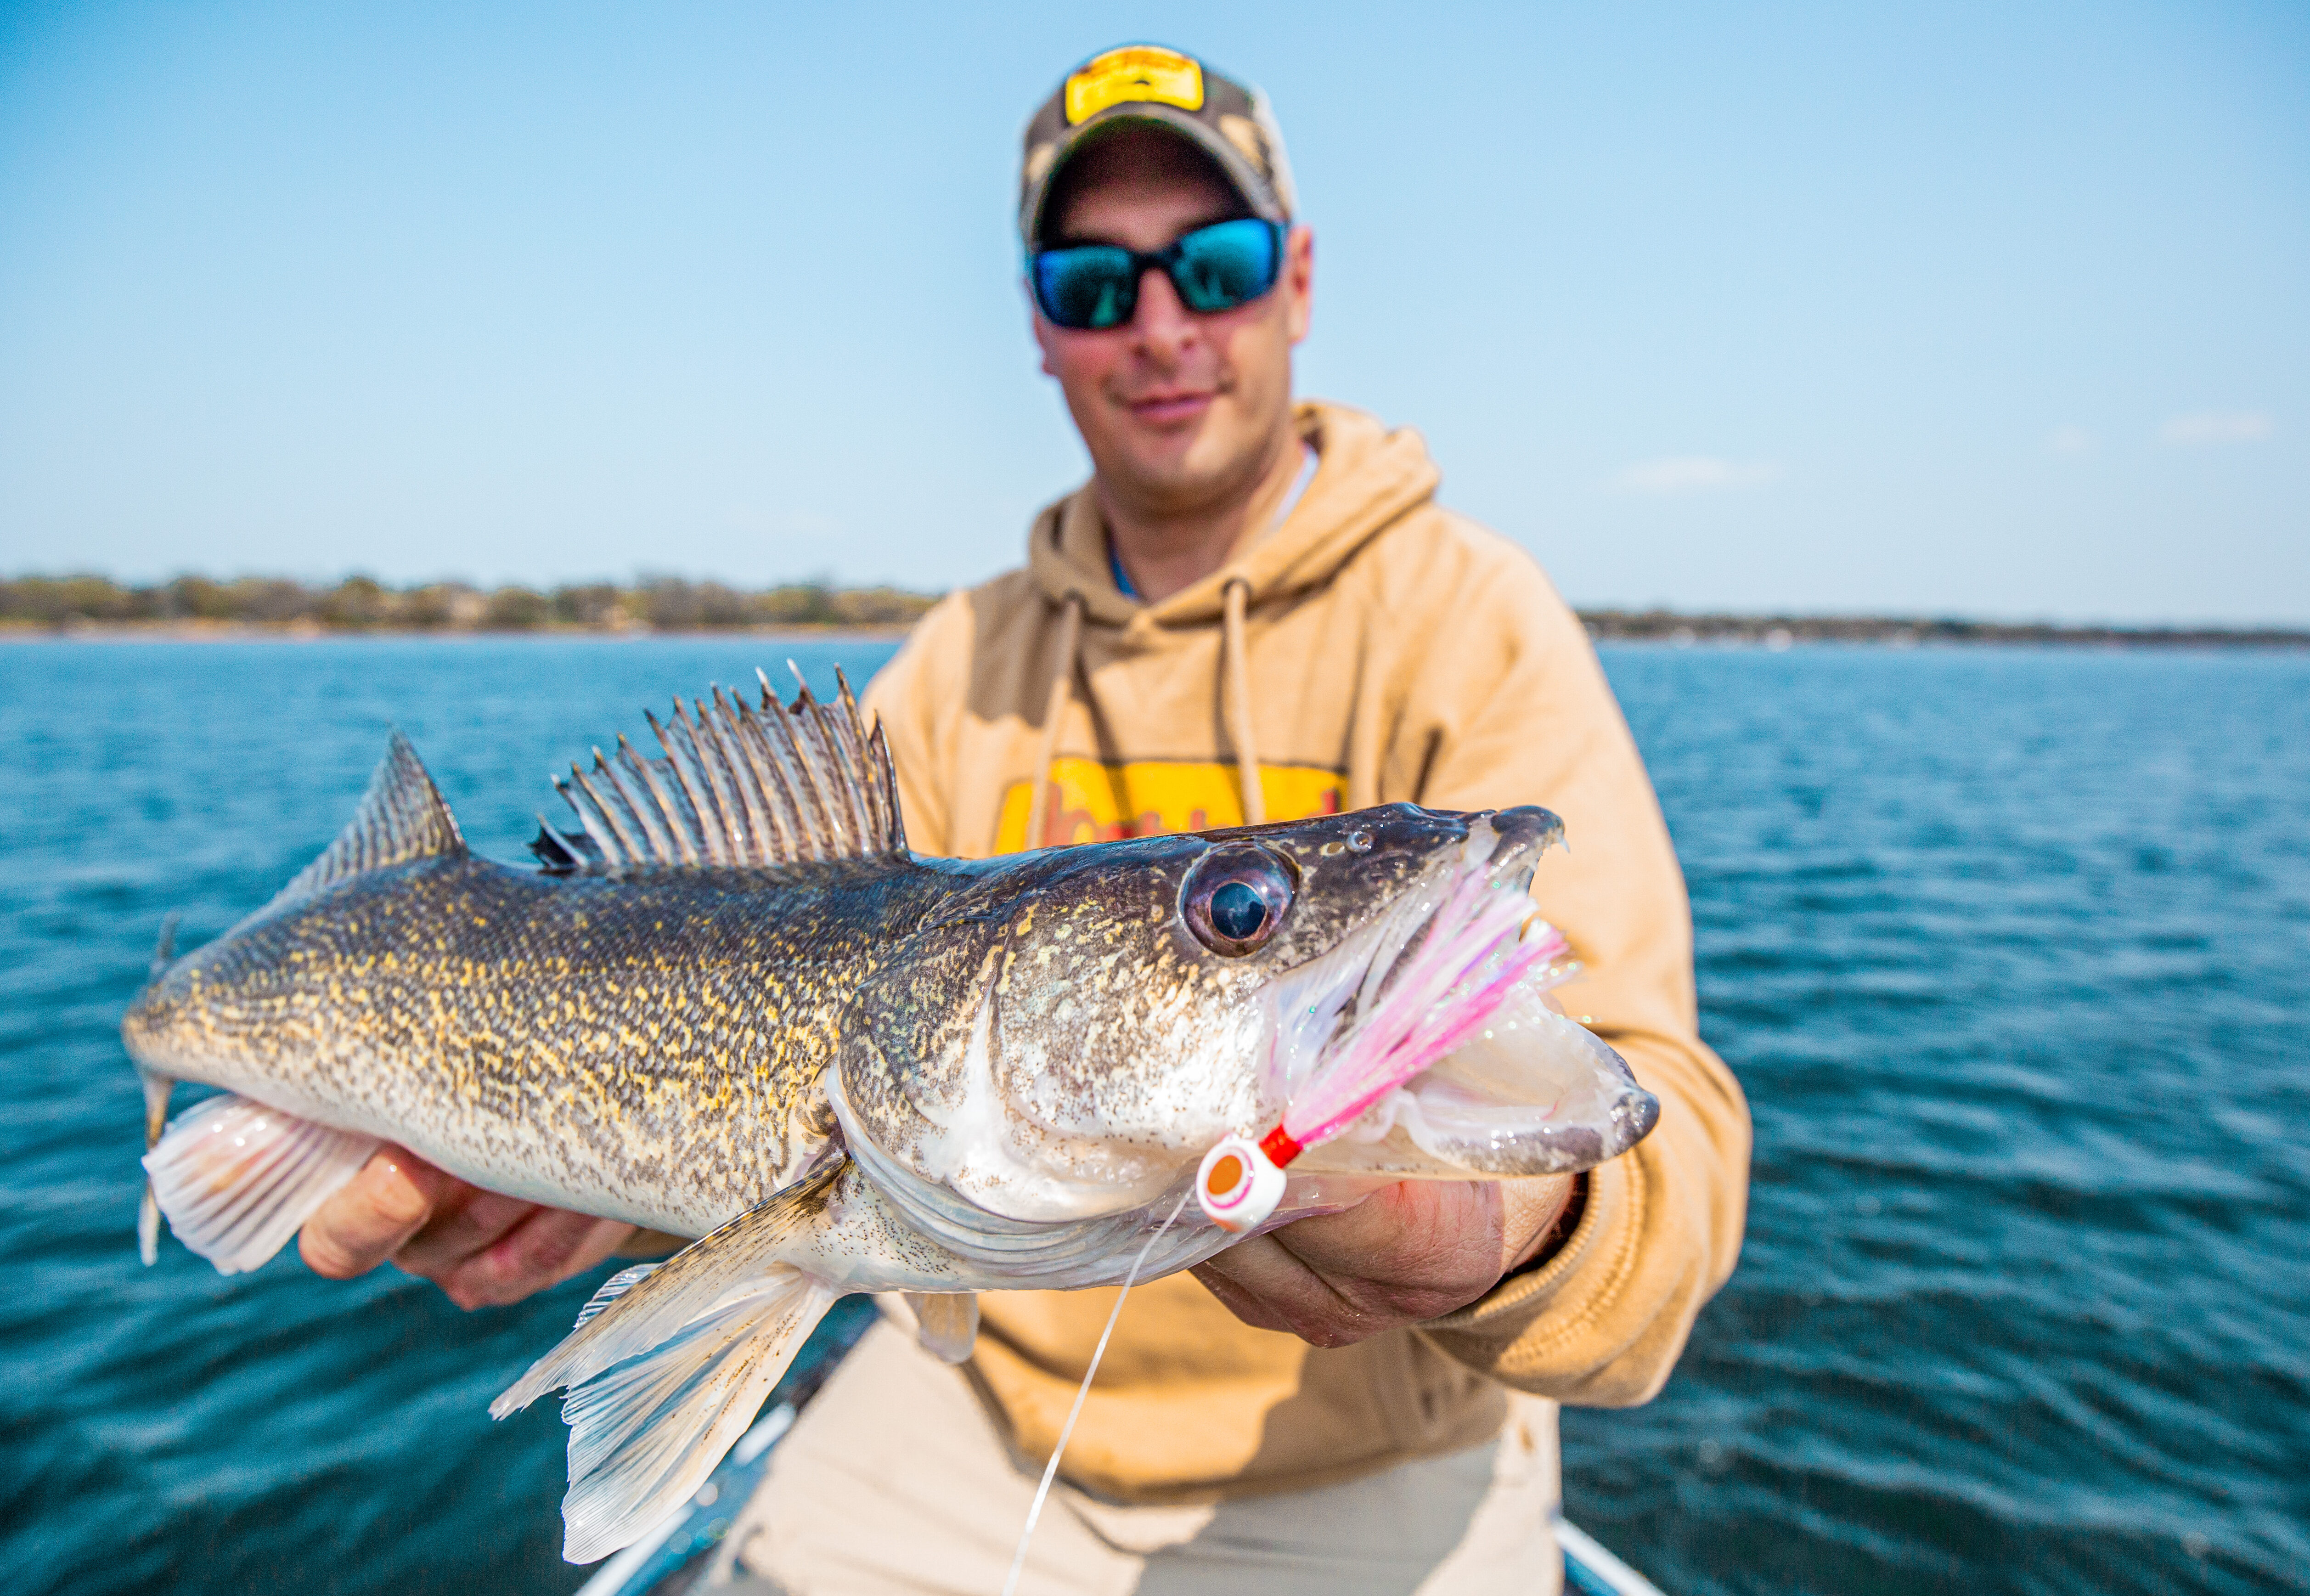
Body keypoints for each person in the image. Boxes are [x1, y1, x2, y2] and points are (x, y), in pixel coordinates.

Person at [298, 44, 1751, 1595]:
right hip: (974, 1410)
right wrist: (601, 1194)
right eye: (1094, 280)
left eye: (1217, 261)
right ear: (1041, 328)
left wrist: (1514, 1228)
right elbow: (826, 1091)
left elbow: (1665, 1167)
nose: (1164, 326)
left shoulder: (1476, 619)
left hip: (1371, 1473)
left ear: (1299, 280)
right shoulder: (953, 666)